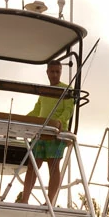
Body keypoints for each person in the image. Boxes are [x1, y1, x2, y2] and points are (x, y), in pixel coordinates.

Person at [21, 60, 74, 205]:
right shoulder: (44, 91)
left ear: (61, 72)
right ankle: (24, 200)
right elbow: (37, 110)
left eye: (58, 72)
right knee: (33, 165)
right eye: (52, 71)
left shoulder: (67, 90)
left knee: (53, 165)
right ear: (47, 72)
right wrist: (21, 120)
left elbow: (68, 110)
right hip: (41, 132)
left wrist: (58, 123)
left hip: (56, 133)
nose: (55, 74)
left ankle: (50, 202)